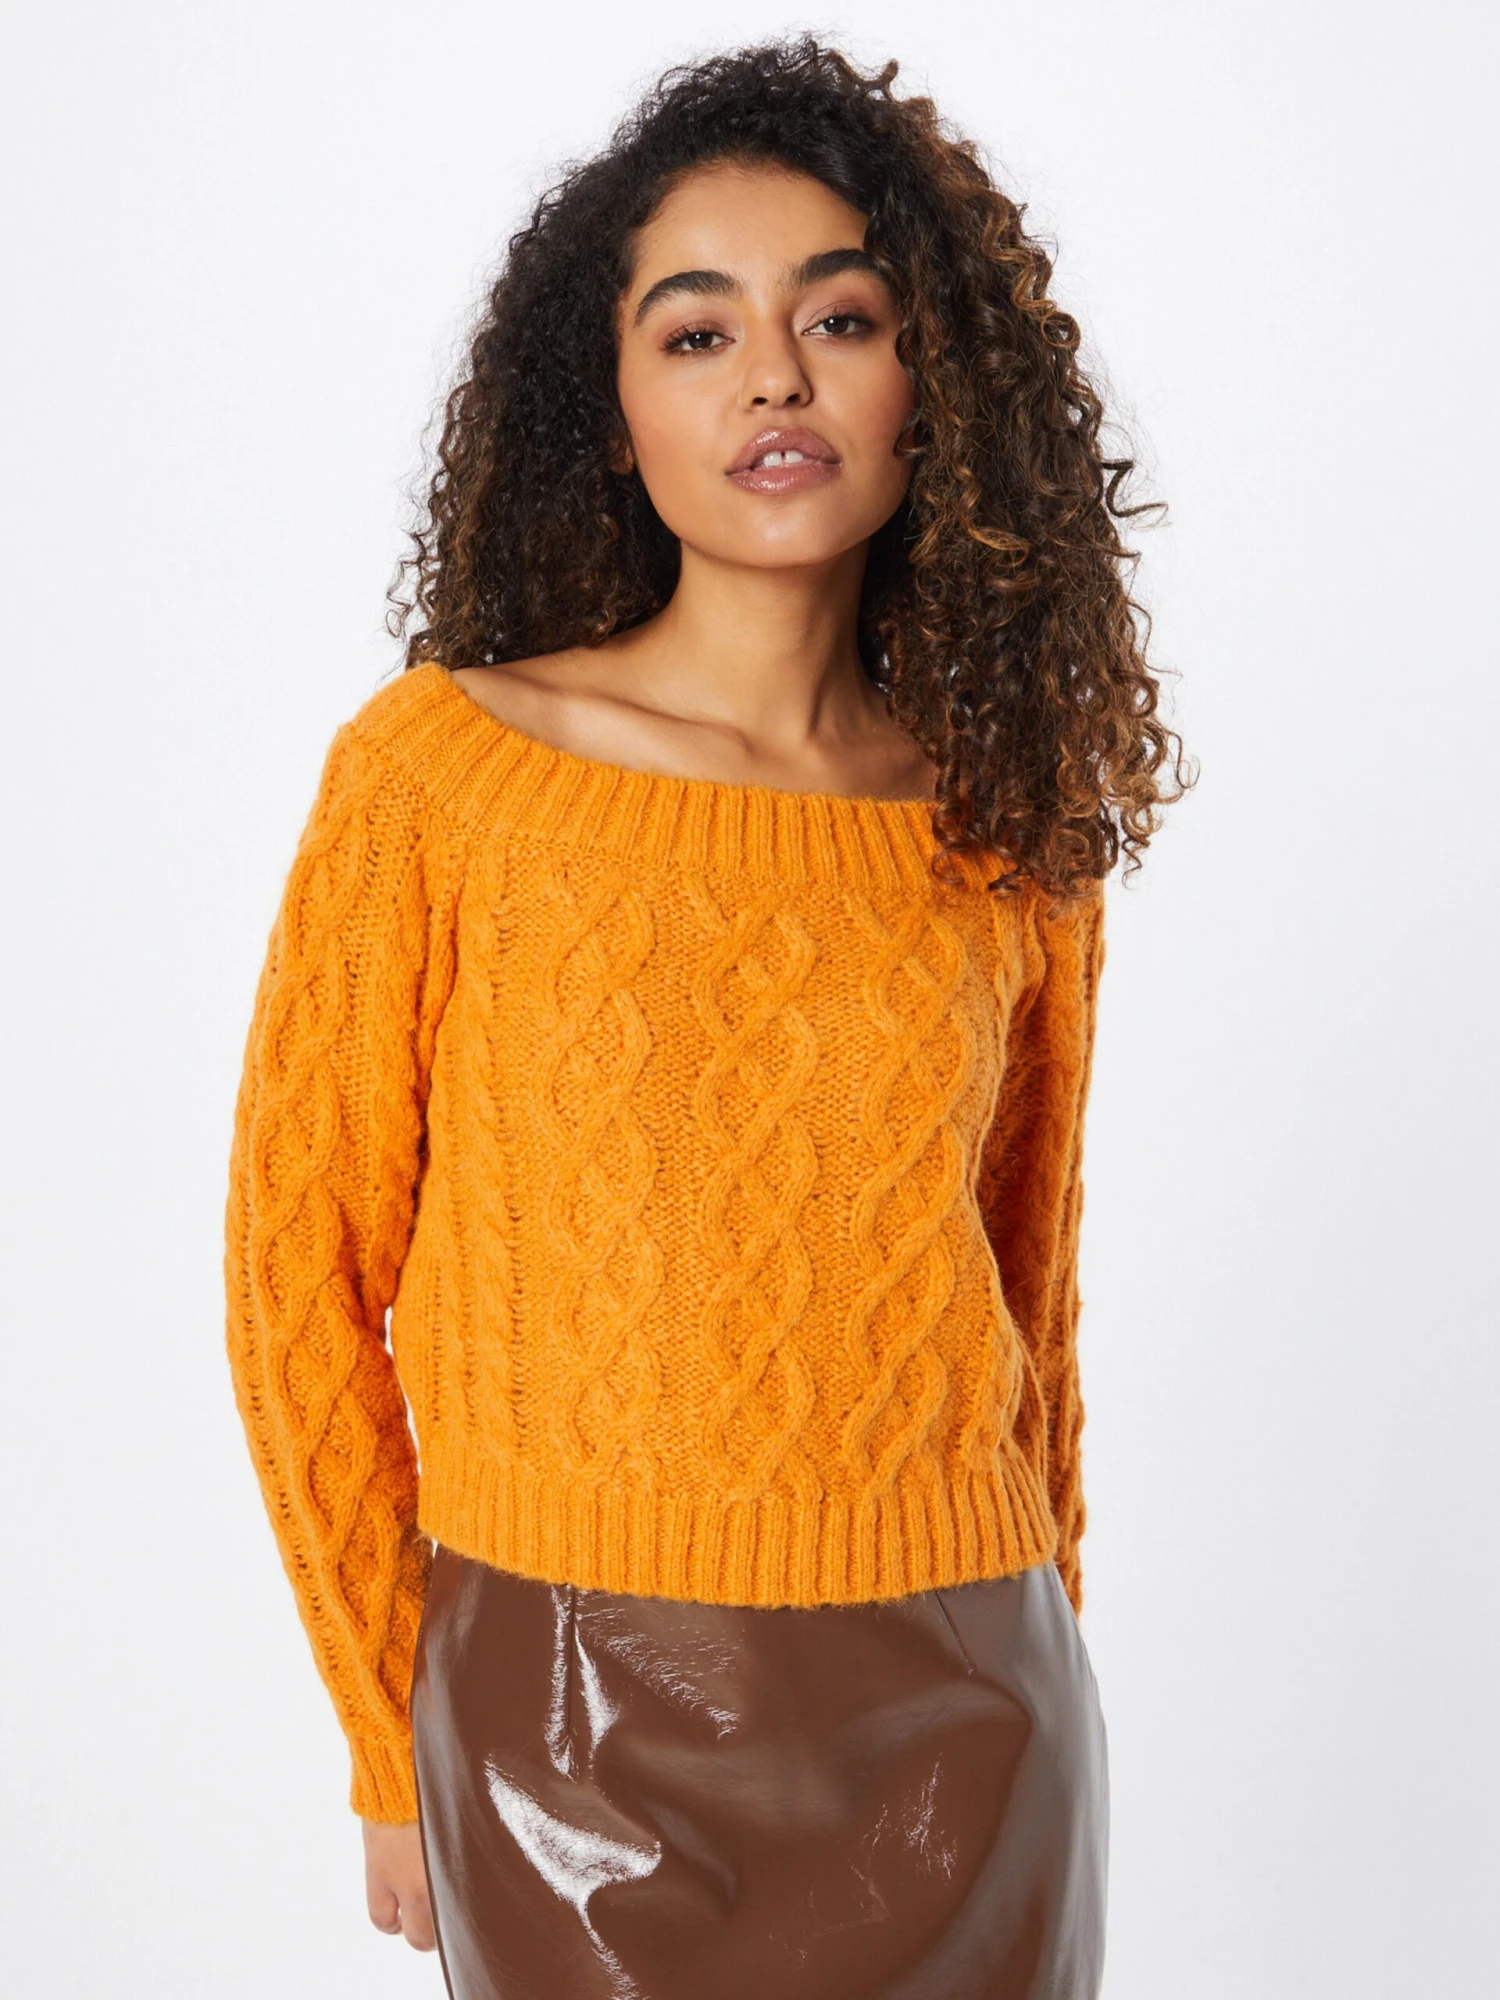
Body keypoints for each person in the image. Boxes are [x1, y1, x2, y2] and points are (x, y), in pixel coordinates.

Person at [223, 35, 1190, 2000]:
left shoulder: (1005, 826)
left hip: (969, 1705)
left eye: (840, 317)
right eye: (697, 332)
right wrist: (383, 1728)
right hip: (566, 1711)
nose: (774, 378)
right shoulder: (442, 778)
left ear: (934, 387)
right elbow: (294, 1272)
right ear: (611, 414)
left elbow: (1028, 1290)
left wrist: (1061, 1622)